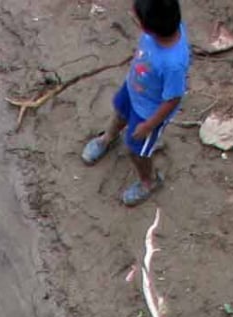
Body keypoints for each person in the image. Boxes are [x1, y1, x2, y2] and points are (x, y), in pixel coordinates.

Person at [81, 0, 191, 206]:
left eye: (137, 17)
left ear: (148, 27)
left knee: (136, 150)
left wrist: (149, 125)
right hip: (133, 89)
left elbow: (173, 98)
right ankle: (108, 138)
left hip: (149, 112)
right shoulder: (165, 27)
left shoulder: (173, 64)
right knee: (119, 113)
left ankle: (148, 181)